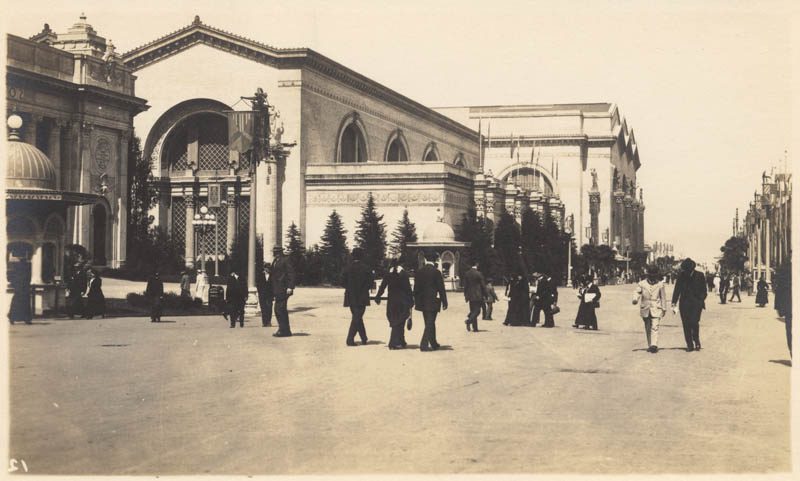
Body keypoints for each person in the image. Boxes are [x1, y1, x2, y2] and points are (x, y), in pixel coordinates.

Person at [375, 258, 413, 349]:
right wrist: (411, 301)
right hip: (403, 301)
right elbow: (408, 289)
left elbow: (383, 286)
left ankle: (401, 341)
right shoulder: (403, 274)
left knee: (395, 320)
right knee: (400, 321)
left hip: (392, 301)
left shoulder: (388, 273)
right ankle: (392, 343)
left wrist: (378, 296)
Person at [413, 253, 448, 351]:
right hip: (433, 301)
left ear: (426, 259)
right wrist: (444, 301)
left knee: (428, 322)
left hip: (422, 301)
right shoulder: (436, 272)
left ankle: (433, 342)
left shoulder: (419, 271)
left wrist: (416, 300)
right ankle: (424, 344)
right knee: (430, 322)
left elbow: (416, 288)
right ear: (435, 260)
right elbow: (441, 288)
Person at [671, 258, 707, 352]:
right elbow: (677, 289)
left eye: (688, 270)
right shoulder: (681, 276)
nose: (686, 271)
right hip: (684, 304)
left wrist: (700, 299)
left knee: (694, 322)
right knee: (686, 324)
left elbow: (704, 290)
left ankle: (696, 340)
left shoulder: (700, 275)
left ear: (692, 268)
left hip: (696, 304)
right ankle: (689, 344)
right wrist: (674, 302)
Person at [342, 248, 374, 346]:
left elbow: (342, 282)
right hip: (362, 296)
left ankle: (364, 338)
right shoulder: (366, 268)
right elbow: (370, 283)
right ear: (362, 256)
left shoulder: (347, 268)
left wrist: (350, 288)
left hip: (351, 296)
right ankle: (350, 339)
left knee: (357, 317)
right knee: (357, 317)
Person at [633, 265, 668, 353]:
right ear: (648, 274)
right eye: (651, 274)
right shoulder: (642, 283)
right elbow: (637, 292)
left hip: (656, 307)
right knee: (648, 327)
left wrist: (664, 308)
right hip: (645, 308)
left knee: (655, 326)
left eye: (654, 274)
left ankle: (654, 345)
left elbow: (663, 297)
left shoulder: (660, 285)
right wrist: (635, 299)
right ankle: (650, 344)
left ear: (657, 275)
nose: (652, 276)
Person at [271, 246, 296, 337]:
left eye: (277, 251)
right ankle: (284, 330)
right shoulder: (275, 261)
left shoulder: (285, 260)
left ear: (281, 252)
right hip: (277, 289)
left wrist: (290, 287)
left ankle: (283, 330)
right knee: (279, 310)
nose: (275, 253)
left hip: (283, 289)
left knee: (280, 309)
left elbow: (291, 273)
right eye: (274, 251)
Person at [462, 261, 488, 332]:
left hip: (470, 295)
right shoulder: (479, 274)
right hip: (477, 295)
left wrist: (466, 295)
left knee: (473, 310)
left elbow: (465, 286)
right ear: (477, 264)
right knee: (477, 311)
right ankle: (468, 321)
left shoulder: (467, 273)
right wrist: (486, 294)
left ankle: (475, 328)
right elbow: (483, 285)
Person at [255, 263, 274, 327]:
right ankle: (264, 322)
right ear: (264, 268)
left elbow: (274, 285)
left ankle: (268, 322)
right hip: (262, 294)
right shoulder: (260, 275)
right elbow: (258, 284)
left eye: (269, 268)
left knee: (269, 308)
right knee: (263, 308)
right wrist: (260, 292)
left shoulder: (273, 275)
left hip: (270, 295)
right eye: (267, 268)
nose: (268, 269)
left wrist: (273, 294)